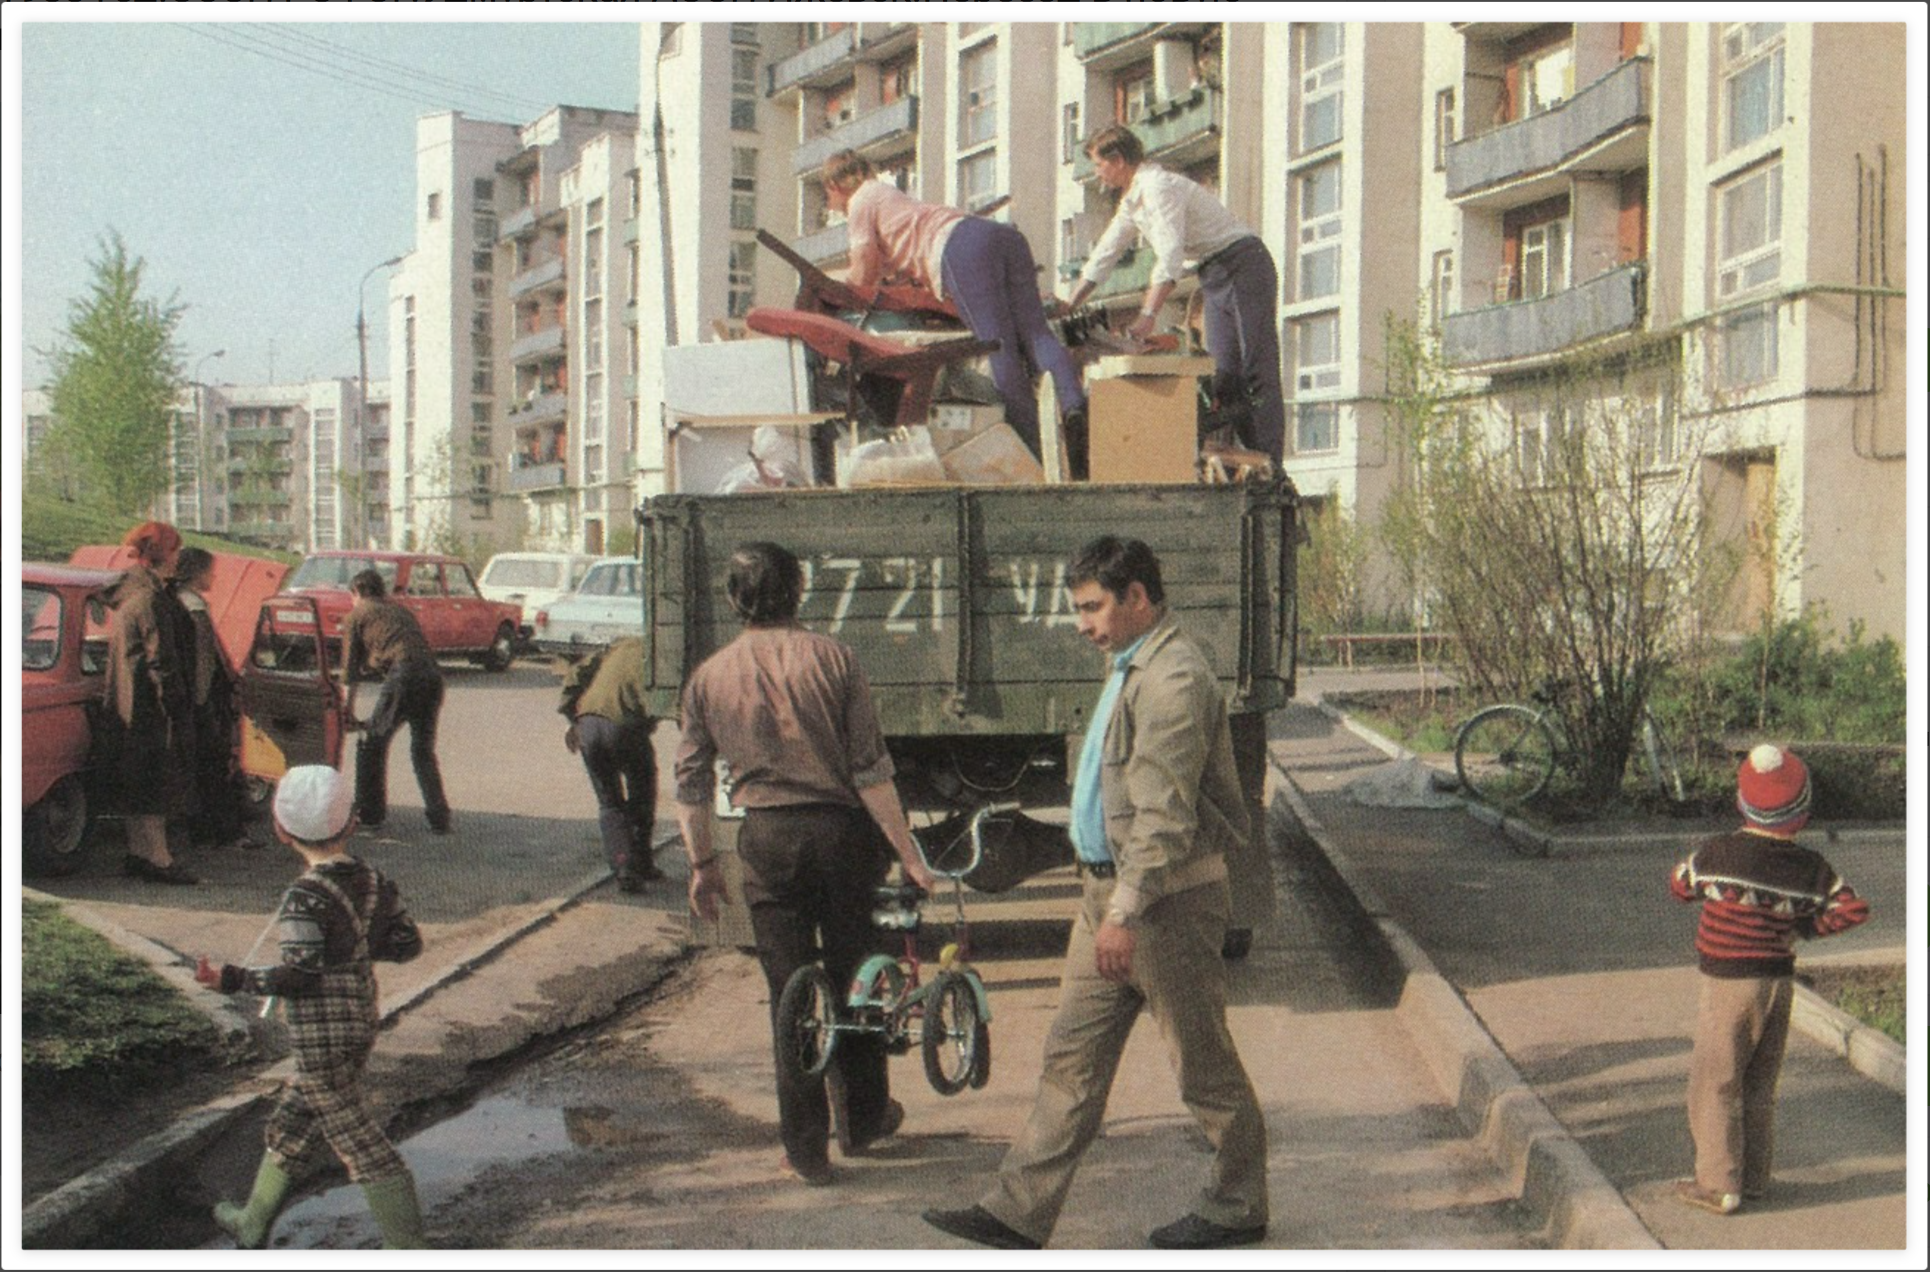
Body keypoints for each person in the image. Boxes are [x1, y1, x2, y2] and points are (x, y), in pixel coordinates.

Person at [924, 536, 1268, 1250]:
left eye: (1092, 607)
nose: (1081, 623)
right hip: (1109, 899)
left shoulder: (1172, 680)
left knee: (1201, 1063)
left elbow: (1163, 815)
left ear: (1138, 597)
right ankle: (1017, 1212)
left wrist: (1126, 912)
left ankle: (1238, 1203)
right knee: (1070, 1058)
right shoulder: (1128, 667)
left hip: (1160, 904)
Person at [673, 541, 935, 1186]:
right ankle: (866, 1118)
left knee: (789, 994)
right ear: (800, 591)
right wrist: (910, 854)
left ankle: (806, 1148)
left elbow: (689, 784)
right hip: (844, 837)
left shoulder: (709, 676)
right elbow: (871, 773)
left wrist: (703, 864)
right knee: (856, 978)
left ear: (735, 600)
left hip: (765, 839)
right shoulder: (835, 659)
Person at [197, 764, 428, 1248]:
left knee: (360, 1143)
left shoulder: (303, 897)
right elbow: (407, 943)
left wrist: (232, 979)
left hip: (320, 1038)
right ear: (352, 824)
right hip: (360, 1021)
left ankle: (411, 1249)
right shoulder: (372, 879)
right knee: (293, 1124)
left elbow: (299, 976)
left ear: (281, 831)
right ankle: (252, 1222)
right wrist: (357, 947)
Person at [1668, 744, 1870, 1215]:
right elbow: (1852, 909)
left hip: (1728, 983)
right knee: (1759, 1083)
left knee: (1714, 1083)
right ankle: (1754, 1178)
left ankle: (1719, 1183)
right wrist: (1802, 928)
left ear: (1742, 802)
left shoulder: (1718, 852)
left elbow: (1680, 884)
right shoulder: (1811, 869)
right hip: (1778, 984)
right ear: (1801, 813)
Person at [823, 150, 1088, 467]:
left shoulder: (860, 202)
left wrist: (835, 289)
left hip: (961, 249)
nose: (829, 204)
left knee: (998, 349)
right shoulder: (887, 194)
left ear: (835, 185)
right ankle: (1074, 407)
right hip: (999, 236)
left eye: (827, 194)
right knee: (1036, 334)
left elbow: (863, 274)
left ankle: (1035, 454)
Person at [1064, 125, 1285, 463]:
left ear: (1118, 160)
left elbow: (1170, 255)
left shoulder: (1158, 187)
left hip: (1244, 265)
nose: (1097, 173)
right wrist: (1069, 304)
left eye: (1098, 165)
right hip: (1213, 275)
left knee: (1256, 370)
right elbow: (1105, 254)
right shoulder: (1133, 201)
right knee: (1224, 376)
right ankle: (1247, 464)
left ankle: (1271, 467)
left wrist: (1147, 316)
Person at [102, 520, 200, 885]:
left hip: (128, 702)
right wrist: (177, 707)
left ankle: (138, 853)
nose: (178, 558)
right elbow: (162, 659)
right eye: (175, 550)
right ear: (161, 554)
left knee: (136, 781)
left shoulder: (130, 592)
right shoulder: (151, 599)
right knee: (157, 782)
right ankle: (159, 859)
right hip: (151, 706)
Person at [340, 568, 450, 834]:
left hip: (404, 675)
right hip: (432, 676)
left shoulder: (357, 615)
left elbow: (349, 672)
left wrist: (347, 710)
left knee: (371, 741)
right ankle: (439, 816)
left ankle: (369, 813)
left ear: (356, 592)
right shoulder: (400, 611)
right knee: (422, 750)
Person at [559, 636, 663, 892]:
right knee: (642, 793)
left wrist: (573, 718)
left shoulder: (619, 646)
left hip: (589, 726)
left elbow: (574, 676)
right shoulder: (663, 656)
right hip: (625, 727)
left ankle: (623, 867)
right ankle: (642, 862)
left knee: (609, 802)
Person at [171, 546, 254, 850]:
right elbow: (205, 659)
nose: (214, 576)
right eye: (209, 570)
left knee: (198, 766)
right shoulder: (195, 607)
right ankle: (226, 831)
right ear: (196, 572)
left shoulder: (175, 600)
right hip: (204, 698)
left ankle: (201, 827)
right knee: (216, 765)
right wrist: (203, 699)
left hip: (187, 694)